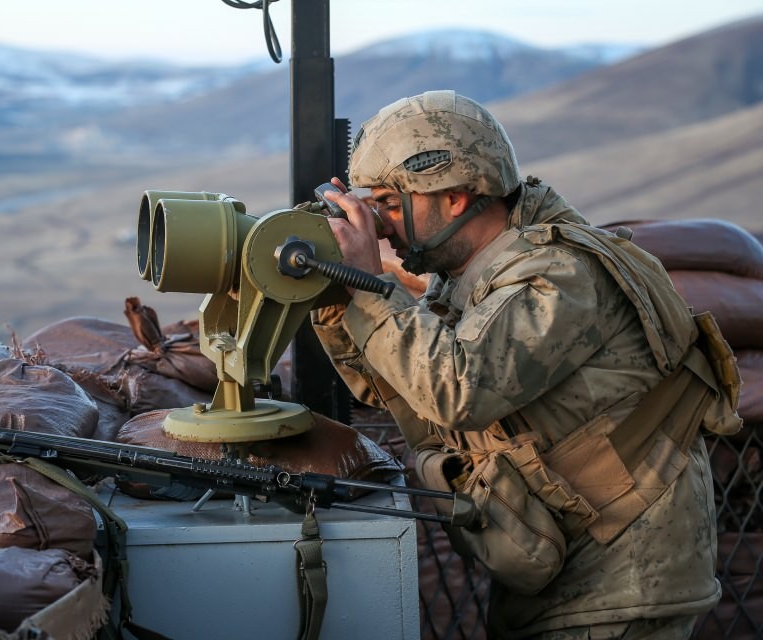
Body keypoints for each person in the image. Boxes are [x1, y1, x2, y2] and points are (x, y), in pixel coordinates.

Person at [311, 90, 742, 639]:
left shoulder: (558, 274)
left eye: (392, 205)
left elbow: (458, 390)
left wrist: (371, 288)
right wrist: (338, 298)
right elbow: (400, 384)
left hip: (620, 585)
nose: (384, 226)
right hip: (566, 573)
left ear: (457, 198)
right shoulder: (470, 273)